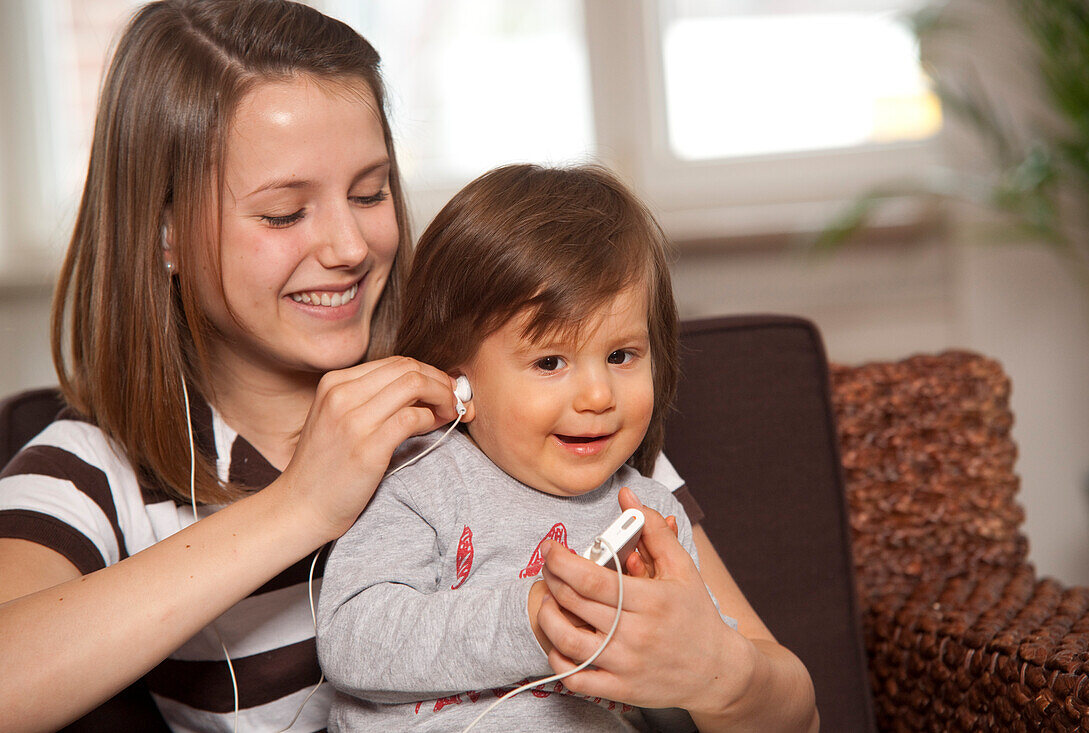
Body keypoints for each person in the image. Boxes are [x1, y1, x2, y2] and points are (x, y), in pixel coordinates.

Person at [0, 1, 817, 731]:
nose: (350, 247)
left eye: (369, 192)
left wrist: (721, 675)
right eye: (285, 211)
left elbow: (795, 709)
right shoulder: (97, 469)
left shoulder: (528, 403)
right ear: (164, 233)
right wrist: (300, 506)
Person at [316, 163, 736, 732]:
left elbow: (695, 696)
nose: (596, 394)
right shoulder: (418, 479)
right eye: (550, 362)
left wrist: (679, 658)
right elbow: (353, 641)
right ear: (458, 381)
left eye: (621, 356)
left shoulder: (652, 517)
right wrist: (533, 618)